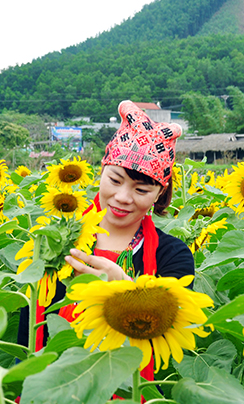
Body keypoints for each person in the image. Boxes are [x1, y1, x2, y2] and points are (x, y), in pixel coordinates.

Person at [19, 101, 195, 357]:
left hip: (130, 387)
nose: (123, 197)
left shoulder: (171, 255)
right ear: (101, 172)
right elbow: (28, 337)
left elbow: (172, 332)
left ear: (159, 194)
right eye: (115, 180)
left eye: (141, 189)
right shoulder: (57, 240)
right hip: (52, 386)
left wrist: (126, 291)